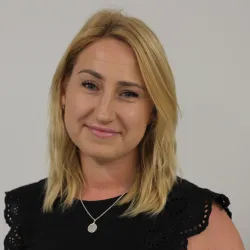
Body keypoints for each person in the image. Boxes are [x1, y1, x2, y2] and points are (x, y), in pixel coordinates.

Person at [4, 9, 244, 250]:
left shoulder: (203, 223)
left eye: (128, 93)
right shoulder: (27, 211)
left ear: (153, 111)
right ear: (64, 91)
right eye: (90, 85)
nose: (103, 113)